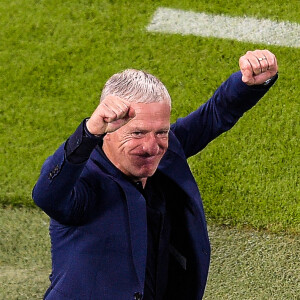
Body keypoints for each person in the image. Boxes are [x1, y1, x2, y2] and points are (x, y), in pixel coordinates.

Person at [33, 49, 278, 300]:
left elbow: (215, 114)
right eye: (137, 133)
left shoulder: (168, 150)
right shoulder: (84, 182)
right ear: (108, 129)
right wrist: (88, 131)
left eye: (161, 132)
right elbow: (47, 195)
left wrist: (248, 83)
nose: (152, 147)